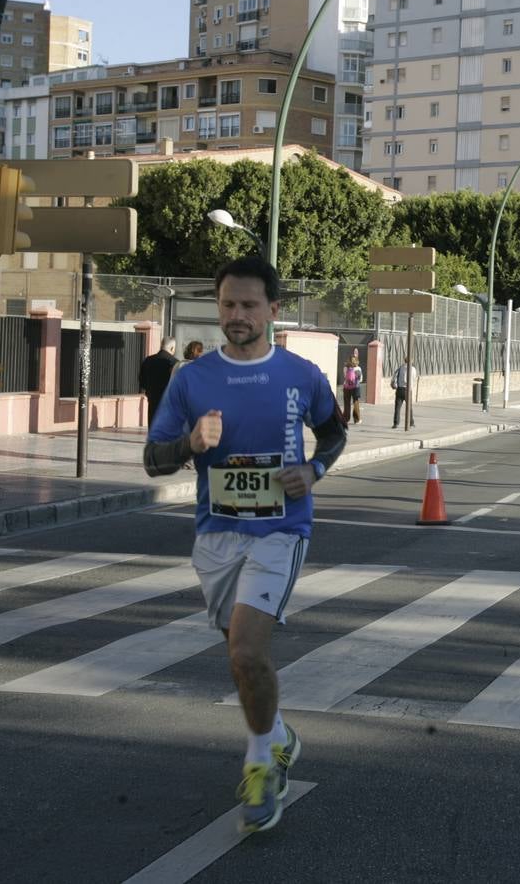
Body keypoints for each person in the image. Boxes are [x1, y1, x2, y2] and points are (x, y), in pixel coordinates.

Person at [143, 255, 347, 834]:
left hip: (281, 530)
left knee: (247, 653)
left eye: (249, 305)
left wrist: (313, 471)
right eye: (228, 304)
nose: (237, 315)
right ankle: (278, 736)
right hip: (216, 535)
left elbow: (334, 432)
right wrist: (188, 442)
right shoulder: (191, 379)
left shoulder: (301, 375)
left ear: (273, 311)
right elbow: (153, 461)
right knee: (238, 656)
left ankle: (260, 766)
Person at [138, 336, 178, 426]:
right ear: (172, 348)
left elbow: (142, 382)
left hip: (152, 403)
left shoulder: (148, 360)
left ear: (161, 345)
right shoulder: (174, 363)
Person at [392, 357, 417, 428]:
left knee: (397, 407)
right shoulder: (413, 369)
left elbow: (394, 376)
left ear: (404, 361)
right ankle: (411, 423)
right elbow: (414, 378)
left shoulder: (400, 368)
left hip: (400, 389)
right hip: (408, 390)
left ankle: (396, 423)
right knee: (409, 407)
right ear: (411, 361)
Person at [341, 351, 364, 427]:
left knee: (346, 403)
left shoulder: (345, 367)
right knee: (356, 403)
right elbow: (361, 379)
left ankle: (346, 419)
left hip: (346, 387)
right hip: (355, 387)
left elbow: (345, 377)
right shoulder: (358, 368)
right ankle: (357, 420)